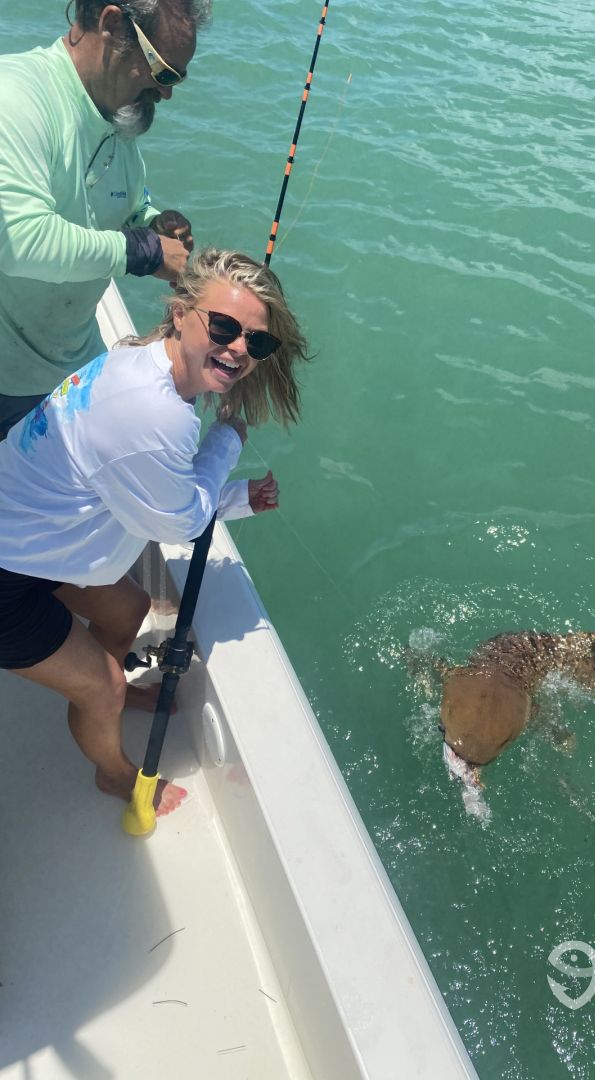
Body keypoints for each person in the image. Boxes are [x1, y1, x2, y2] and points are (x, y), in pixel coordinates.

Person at [0, 248, 310, 817]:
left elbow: (146, 491)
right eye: (223, 327)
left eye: (257, 341)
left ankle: (102, 686)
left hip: (31, 543)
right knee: (104, 688)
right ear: (180, 313)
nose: (239, 348)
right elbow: (181, 521)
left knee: (129, 609)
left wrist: (235, 497)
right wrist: (227, 442)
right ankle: (114, 773)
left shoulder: (138, 359)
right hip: (6, 576)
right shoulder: (156, 414)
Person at [0, 0, 210, 439]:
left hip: (75, 362)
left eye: (177, 77)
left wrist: (153, 223)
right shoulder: (15, 97)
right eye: (163, 71)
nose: (167, 92)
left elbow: (126, 204)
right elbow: (19, 240)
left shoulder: (116, 117)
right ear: (112, 25)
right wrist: (141, 251)